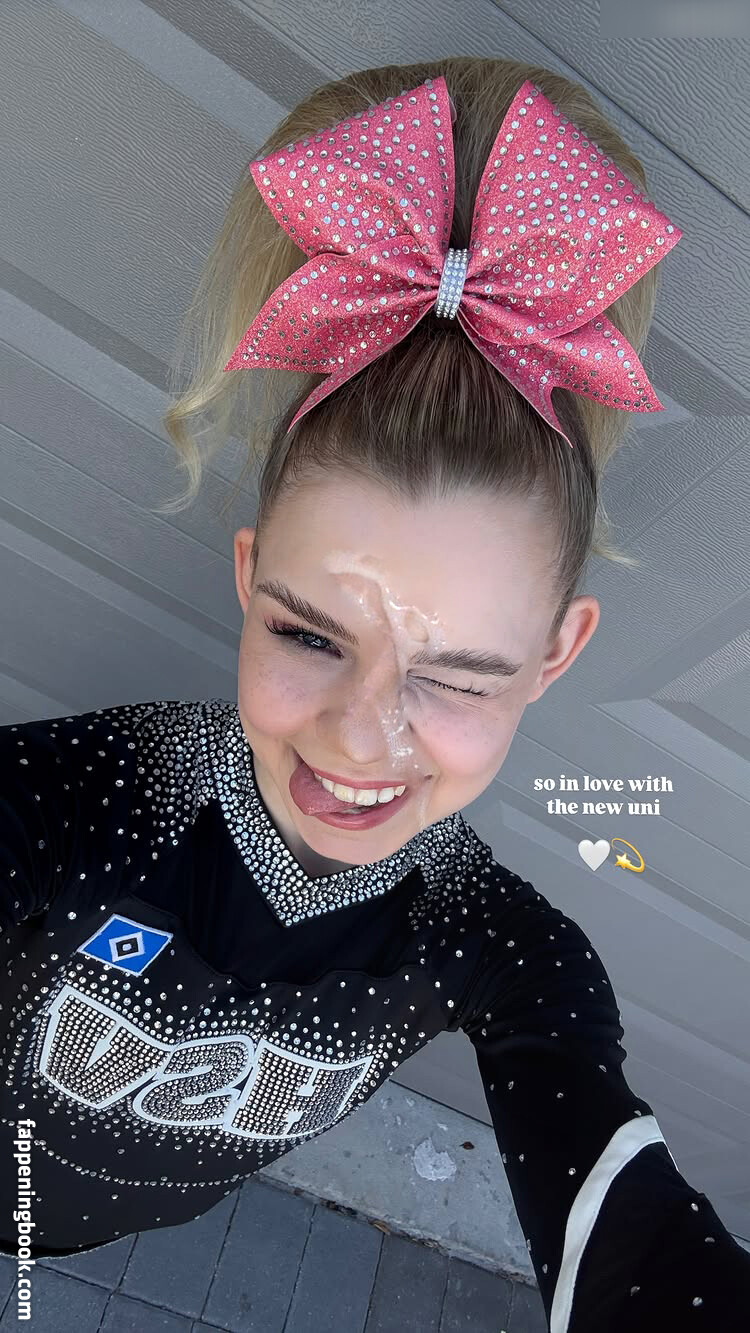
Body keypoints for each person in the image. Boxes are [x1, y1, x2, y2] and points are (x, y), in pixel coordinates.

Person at [1, 55, 748, 1332]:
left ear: (555, 656)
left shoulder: (496, 949)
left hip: (133, 1219)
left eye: (455, 676)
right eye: (310, 634)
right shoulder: (88, 799)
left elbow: (628, 1231)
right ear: (250, 578)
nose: (359, 737)